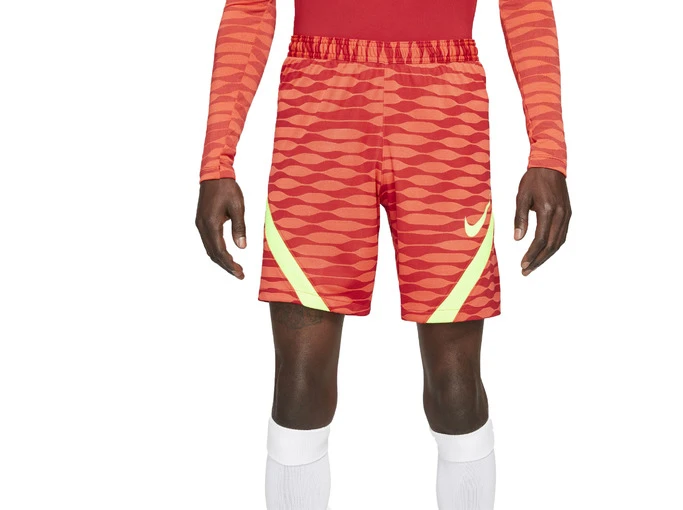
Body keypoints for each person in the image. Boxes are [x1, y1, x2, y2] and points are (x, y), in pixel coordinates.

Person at [195, 0, 571, 508]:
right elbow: (250, 6)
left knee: (455, 388)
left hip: (442, 104)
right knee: (300, 384)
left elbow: (525, 6)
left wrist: (548, 151)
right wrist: (217, 160)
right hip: (320, 105)